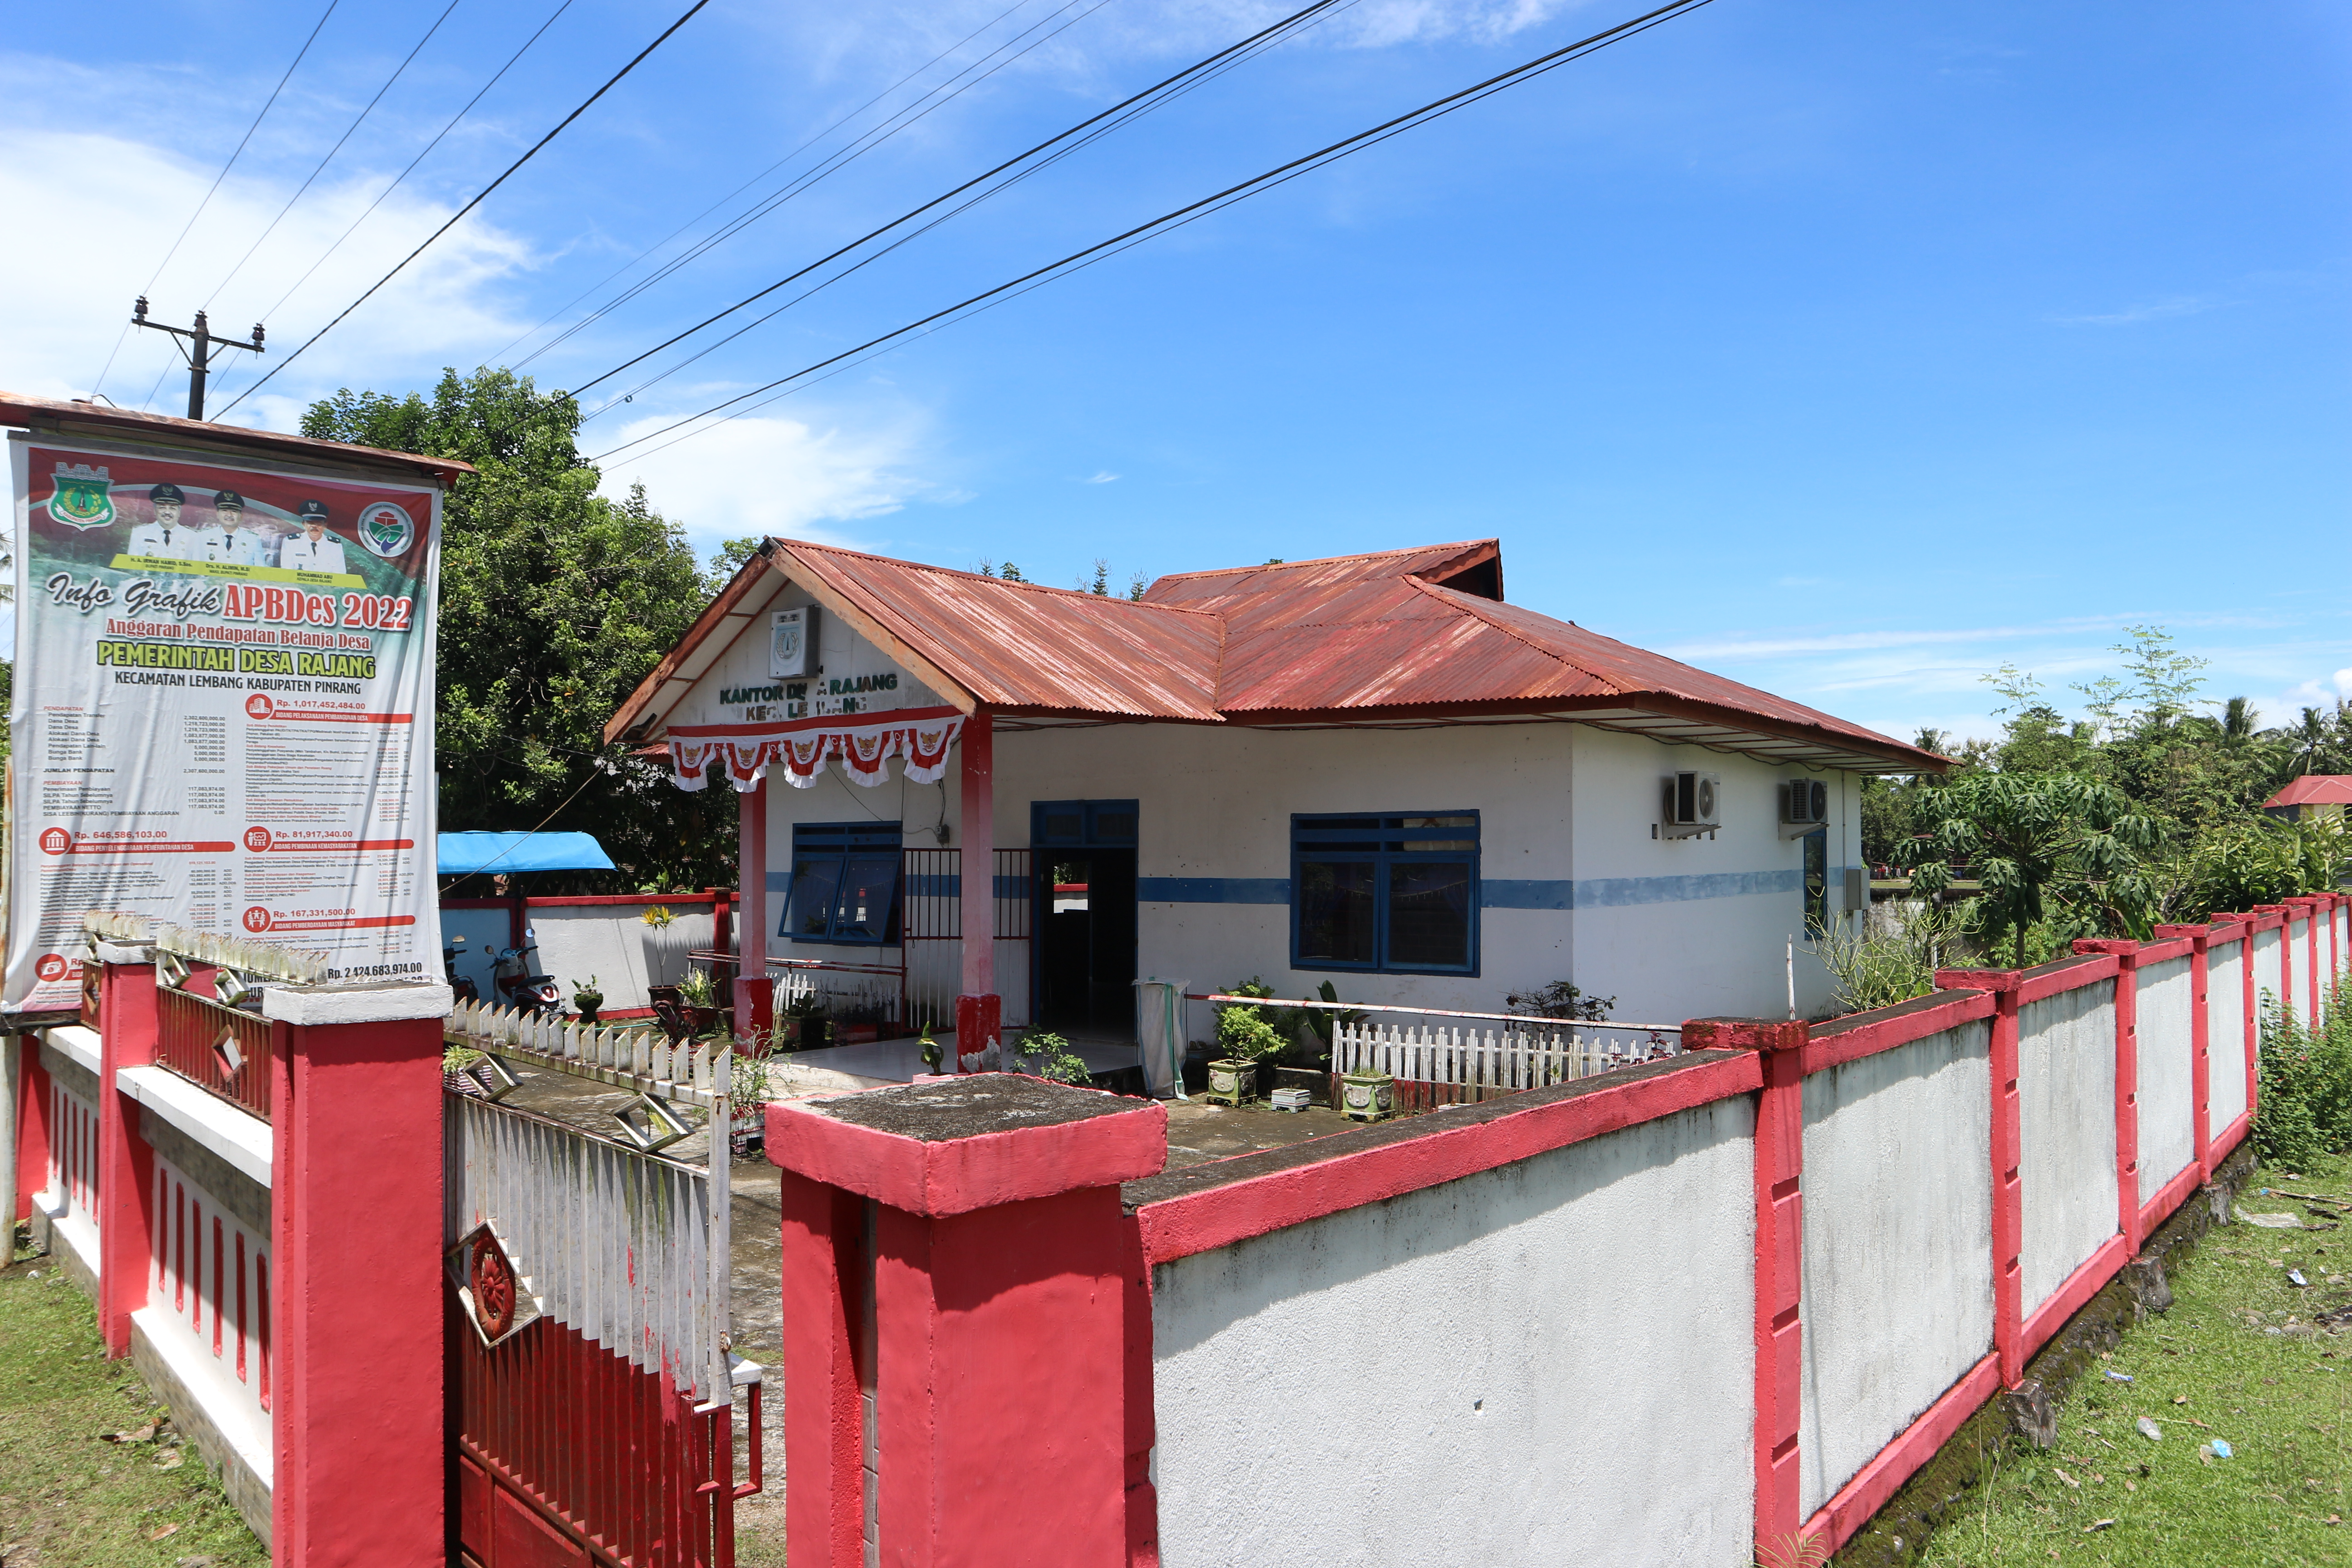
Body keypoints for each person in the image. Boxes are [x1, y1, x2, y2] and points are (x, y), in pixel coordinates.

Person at [185, 489, 264, 568]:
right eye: (225, 511)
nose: (229, 515)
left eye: (234, 511)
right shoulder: (203, 537)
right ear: (217, 514)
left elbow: (261, 570)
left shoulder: (253, 540)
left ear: (241, 516)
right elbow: (196, 567)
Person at [278, 499, 347, 574]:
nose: (314, 526)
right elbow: (287, 571)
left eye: (318, 523)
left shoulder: (335, 546)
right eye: (310, 523)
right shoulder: (291, 543)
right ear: (304, 525)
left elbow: (340, 574)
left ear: (325, 526)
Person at [125, 482, 186, 559]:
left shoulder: (192, 537)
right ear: (155, 511)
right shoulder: (139, 533)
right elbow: (132, 565)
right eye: (162, 507)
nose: (167, 512)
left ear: (179, 512)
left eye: (173, 508)